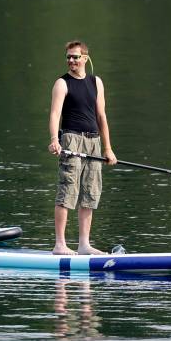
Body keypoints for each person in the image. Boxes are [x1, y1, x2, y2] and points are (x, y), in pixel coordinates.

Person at [47, 41, 117, 255]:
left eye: (75, 57)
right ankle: (60, 244)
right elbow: (55, 114)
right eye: (68, 57)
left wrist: (108, 148)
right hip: (71, 140)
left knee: (90, 192)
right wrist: (54, 139)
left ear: (85, 58)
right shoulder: (62, 83)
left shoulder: (96, 82)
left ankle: (84, 245)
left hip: (93, 141)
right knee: (68, 190)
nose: (71, 61)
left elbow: (101, 116)